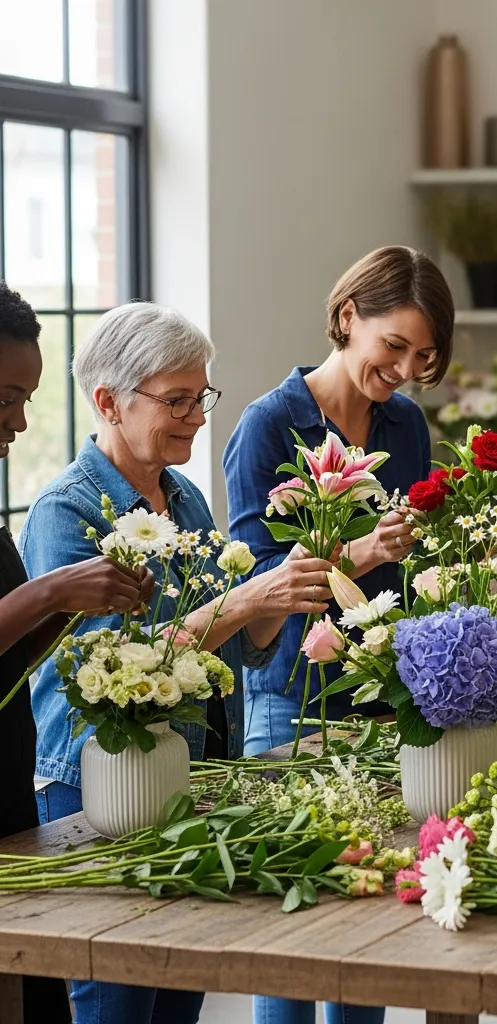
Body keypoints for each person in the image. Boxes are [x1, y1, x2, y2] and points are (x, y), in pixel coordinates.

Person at [20, 302, 337, 1024]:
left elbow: (239, 650)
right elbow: (116, 673)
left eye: (202, 397)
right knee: (116, 1000)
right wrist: (250, 596)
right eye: (177, 400)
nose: (197, 416)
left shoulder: (186, 497)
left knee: (174, 1001)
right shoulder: (67, 514)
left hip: (191, 784)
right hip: (101, 793)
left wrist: (282, 593)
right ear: (108, 401)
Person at [223, 245, 453, 1024]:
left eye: (422, 357)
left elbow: (410, 569)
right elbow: (255, 586)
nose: (406, 368)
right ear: (348, 316)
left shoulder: (405, 424)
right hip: (292, 697)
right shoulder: (268, 423)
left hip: (382, 701)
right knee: (291, 935)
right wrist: (363, 549)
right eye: (395, 346)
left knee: (369, 935)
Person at [0, 284, 150, 1023]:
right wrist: (55, 587)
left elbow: (14, 653)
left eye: (26, 398)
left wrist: (78, 606)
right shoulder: (66, 503)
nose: (22, 422)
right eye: (5, 397)